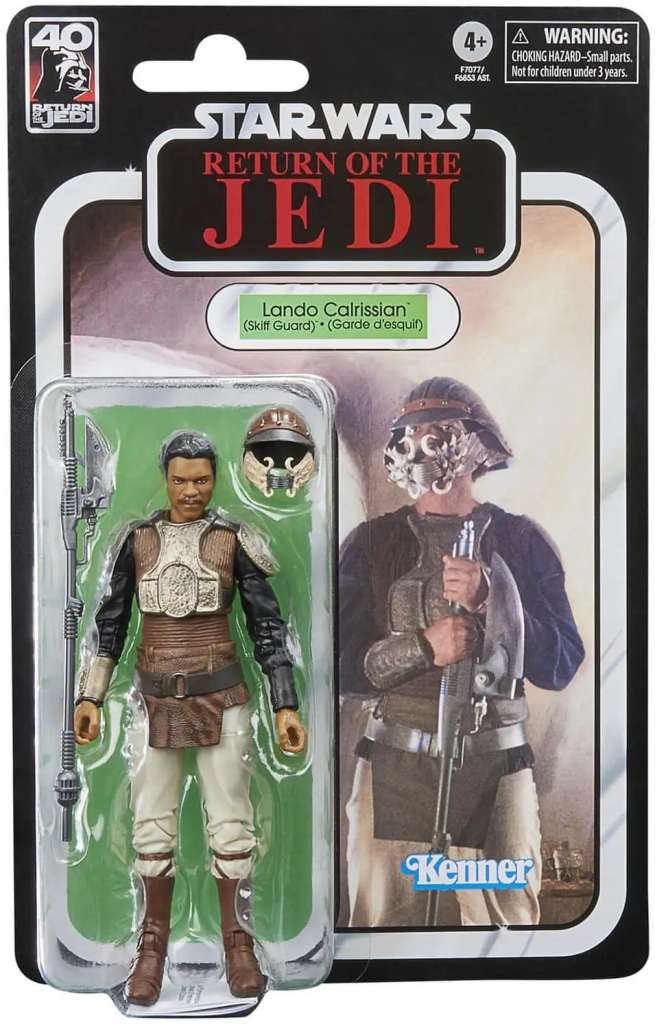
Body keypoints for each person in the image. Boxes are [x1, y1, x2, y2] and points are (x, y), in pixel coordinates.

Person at [339, 377, 584, 928]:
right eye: (410, 434)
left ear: (475, 442)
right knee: (381, 927)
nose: (421, 446)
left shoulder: (521, 541)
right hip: (396, 759)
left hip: (495, 762)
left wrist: (493, 600)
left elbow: (561, 662)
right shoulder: (372, 543)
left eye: (438, 432)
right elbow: (340, 666)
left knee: (505, 931)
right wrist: (423, 648)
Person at [74, 430, 306, 1004]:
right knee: (150, 827)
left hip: (223, 698)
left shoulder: (234, 540)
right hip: (152, 700)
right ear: (166, 478)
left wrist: (285, 703)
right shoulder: (137, 540)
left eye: (201, 479)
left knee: (233, 826)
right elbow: (111, 624)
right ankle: (151, 946)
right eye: (180, 480)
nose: (191, 491)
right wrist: (91, 695)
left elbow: (267, 628)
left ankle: (238, 942)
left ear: (215, 479)